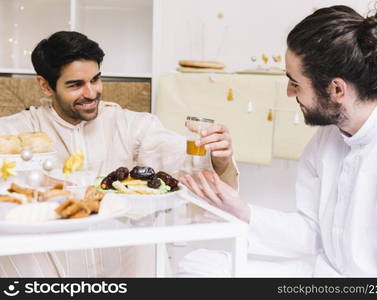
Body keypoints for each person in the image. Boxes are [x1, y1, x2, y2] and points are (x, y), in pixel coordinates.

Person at [178, 2, 377, 277]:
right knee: (199, 266)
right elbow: (311, 233)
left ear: (336, 88)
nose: (289, 93)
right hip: (322, 273)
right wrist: (241, 210)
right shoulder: (328, 136)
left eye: (295, 83)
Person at [0, 31, 238, 277]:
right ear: (45, 85)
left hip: (126, 270)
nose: (91, 93)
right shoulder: (16, 132)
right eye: (75, 85)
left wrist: (217, 157)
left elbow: (181, 158)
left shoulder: (130, 125)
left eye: (95, 79)